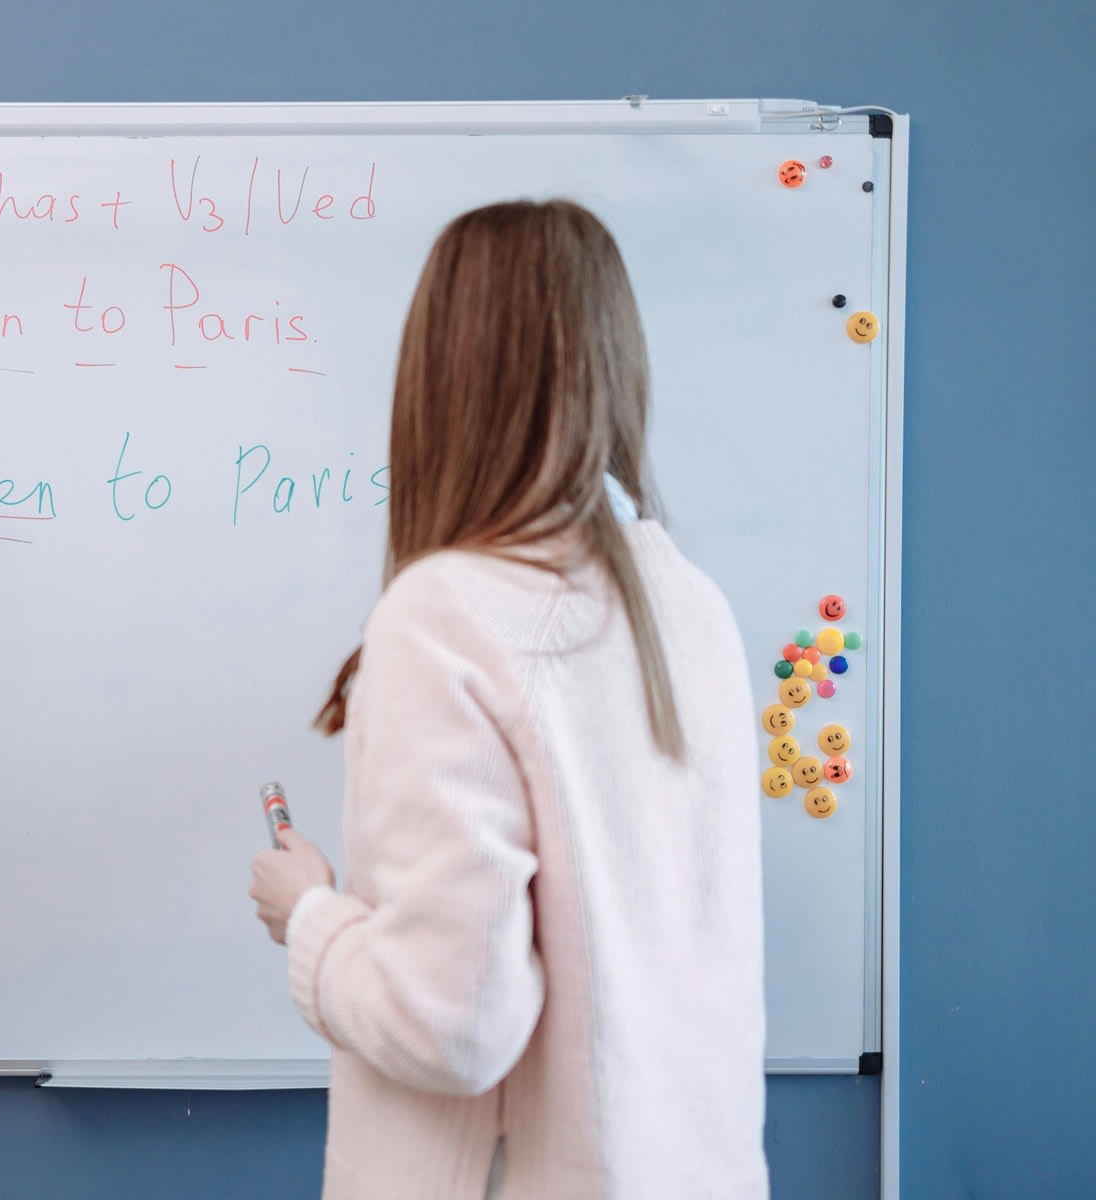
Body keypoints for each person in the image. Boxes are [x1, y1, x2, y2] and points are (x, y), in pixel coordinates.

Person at [249, 201, 768, 1198]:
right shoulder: (687, 602)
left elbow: (452, 1024)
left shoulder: (445, 613)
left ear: (442, 375)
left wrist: (308, 915)